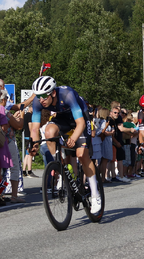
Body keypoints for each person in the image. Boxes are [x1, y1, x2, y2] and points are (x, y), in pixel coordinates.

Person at [29, 76, 102, 214]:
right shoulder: (38, 102)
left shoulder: (67, 95)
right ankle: (61, 168)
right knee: (49, 132)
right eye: (38, 96)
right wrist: (34, 144)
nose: (41, 100)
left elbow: (80, 123)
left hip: (80, 117)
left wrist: (74, 138)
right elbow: (34, 128)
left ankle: (95, 194)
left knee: (81, 154)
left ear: (53, 93)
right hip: (63, 118)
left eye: (44, 96)